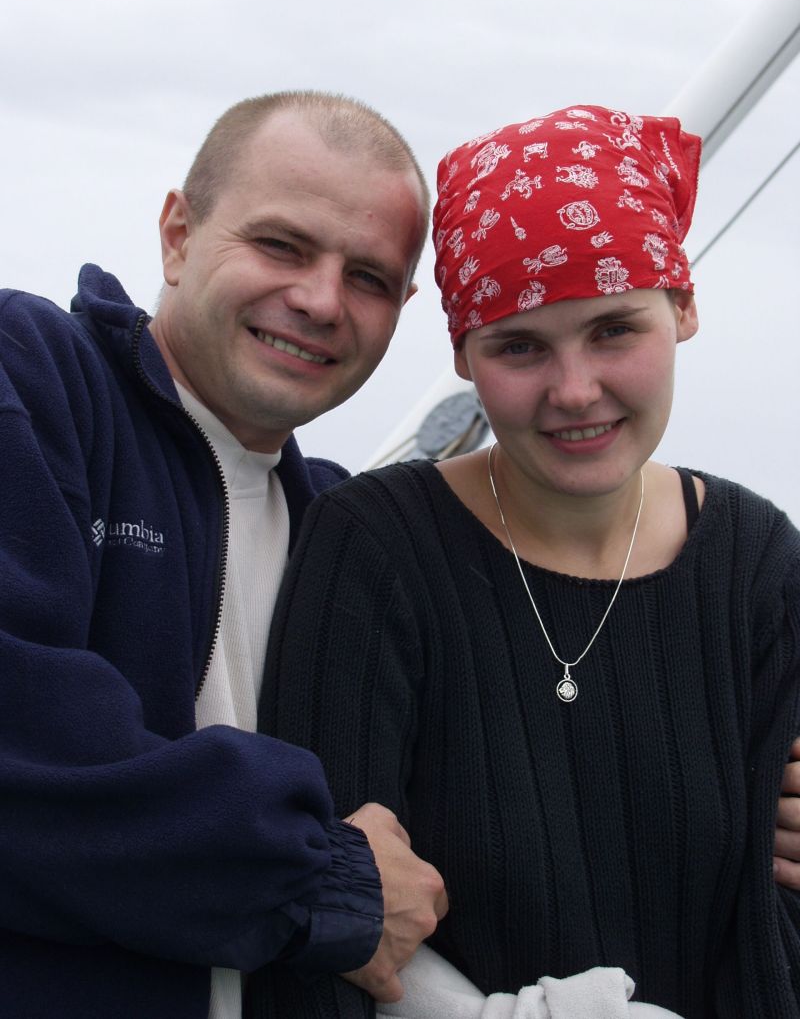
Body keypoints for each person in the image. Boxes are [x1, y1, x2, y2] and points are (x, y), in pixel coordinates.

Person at [262, 105, 800, 1017]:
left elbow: (776, 930)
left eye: (614, 330)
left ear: (683, 308)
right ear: (463, 355)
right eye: (519, 346)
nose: (575, 390)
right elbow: (329, 937)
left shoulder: (758, 567)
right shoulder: (377, 549)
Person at [0, 90, 448, 1019]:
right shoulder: (34, 381)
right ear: (178, 235)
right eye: (282, 246)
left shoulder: (347, 531)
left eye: (369, 277)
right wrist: (322, 880)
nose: (321, 300)